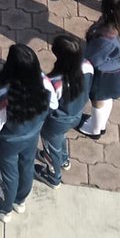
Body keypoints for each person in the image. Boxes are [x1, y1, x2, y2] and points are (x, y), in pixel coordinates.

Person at [0, 44, 57, 223]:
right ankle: (20, 200)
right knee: (26, 166)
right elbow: (53, 105)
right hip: (32, 136)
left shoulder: (5, 94)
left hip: (8, 143)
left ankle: (4, 208)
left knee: (8, 175)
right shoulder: (45, 83)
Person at [78, 0, 120, 139]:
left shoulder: (106, 38)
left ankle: (95, 129)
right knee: (107, 99)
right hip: (119, 71)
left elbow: (92, 59)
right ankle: (100, 124)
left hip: (104, 77)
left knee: (98, 101)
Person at [35, 35, 93, 188]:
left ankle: (54, 176)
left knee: (51, 147)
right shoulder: (87, 66)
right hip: (76, 114)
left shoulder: (55, 83)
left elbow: (47, 107)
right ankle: (64, 159)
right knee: (60, 139)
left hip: (56, 122)